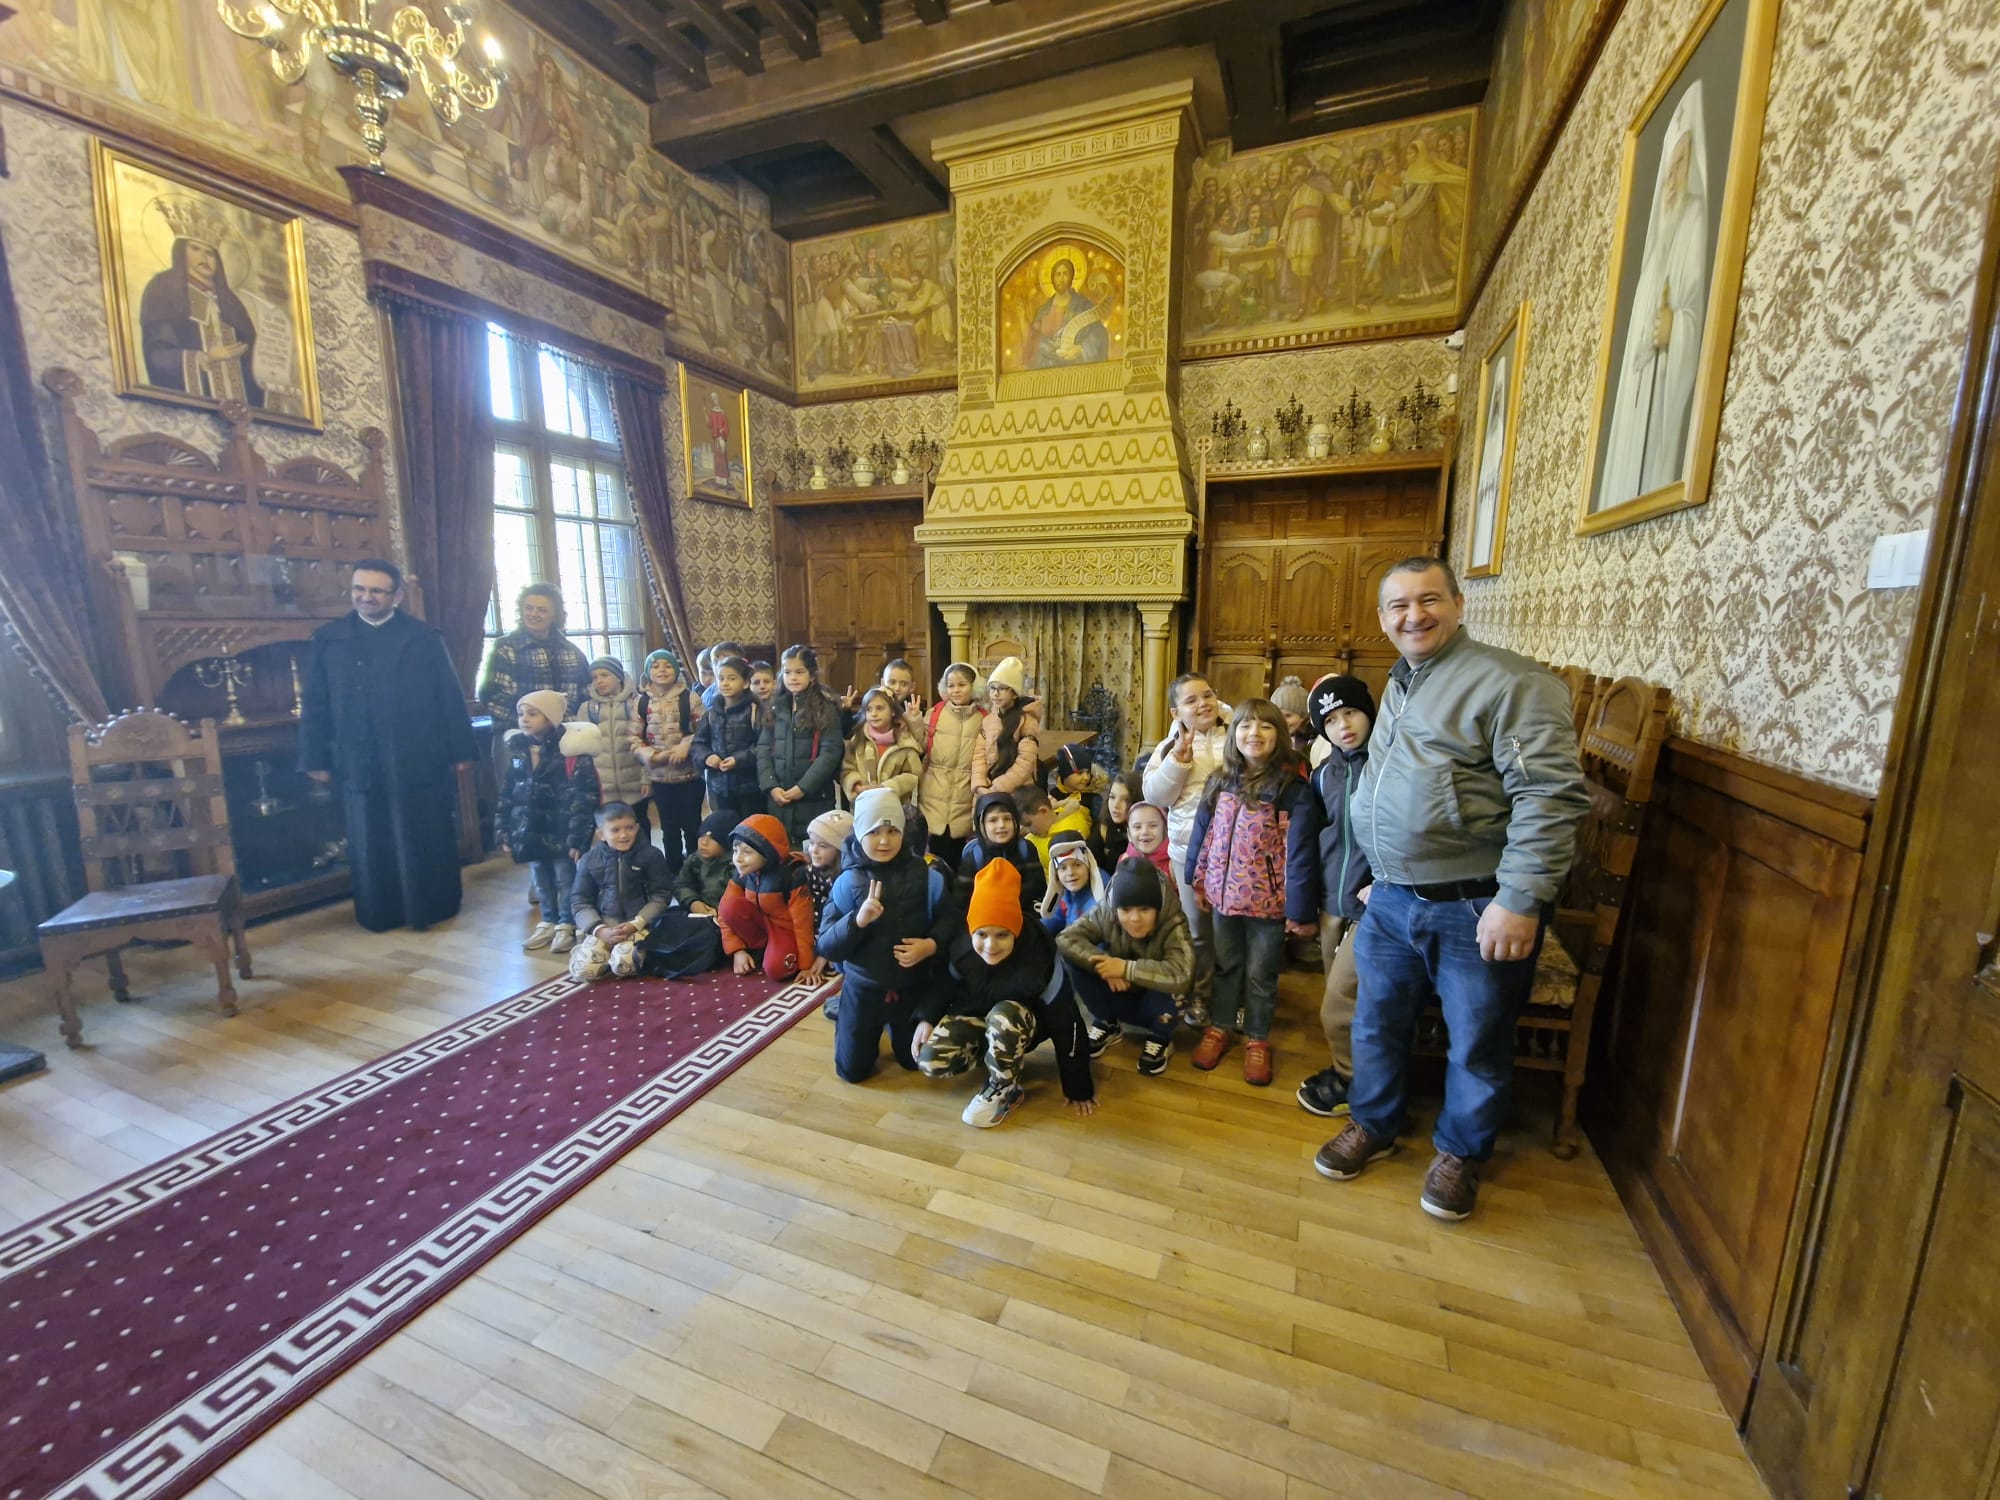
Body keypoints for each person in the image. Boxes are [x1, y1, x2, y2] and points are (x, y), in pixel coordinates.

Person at [1315, 557, 1588, 1221]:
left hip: (1474, 902)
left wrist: (1519, 898)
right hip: (1392, 898)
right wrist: (1376, 873)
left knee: (1478, 1042)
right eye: (1398, 606)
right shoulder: (1403, 679)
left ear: (1459, 605)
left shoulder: (1512, 682)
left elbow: (1548, 796)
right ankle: (1375, 1124)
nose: (1414, 616)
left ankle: (1460, 1153)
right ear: (1383, 619)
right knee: (1376, 1024)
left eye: (1429, 600)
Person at [298, 560, 476, 933]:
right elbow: (315, 703)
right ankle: (380, 912)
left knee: (424, 829)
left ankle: (433, 906)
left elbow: (448, 694)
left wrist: (460, 750)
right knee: (370, 835)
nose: (366, 597)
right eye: (359, 589)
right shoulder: (330, 639)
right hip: (358, 757)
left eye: (376, 591)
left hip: (418, 754)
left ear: (396, 596)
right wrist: (315, 758)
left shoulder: (423, 637)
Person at [1184, 699, 1321, 1087]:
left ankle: (1257, 1037)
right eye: (1245, 725)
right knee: (1226, 967)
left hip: (1268, 904)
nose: (1253, 734)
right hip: (1223, 899)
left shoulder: (1292, 790)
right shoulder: (1220, 781)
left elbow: (1300, 853)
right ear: (1234, 734)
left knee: (1261, 974)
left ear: (1279, 735)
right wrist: (1198, 879)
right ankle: (1220, 1026)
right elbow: (1204, 835)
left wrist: (1299, 908)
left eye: (1265, 726)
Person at [922, 857, 1096, 1128]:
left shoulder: (1040, 954)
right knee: (931, 1061)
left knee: (1004, 1015)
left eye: (1002, 935)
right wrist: (926, 1018)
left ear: (1015, 931)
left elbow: (1067, 1021)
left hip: (1020, 1022)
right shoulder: (962, 948)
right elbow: (944, 986)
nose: (990, 945)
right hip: (980, 1016)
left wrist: (1078, 1087)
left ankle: (1005, 1088)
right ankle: (996, 1056)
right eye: (982, 934)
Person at [1599, 84, 1710, 509]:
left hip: (1663, 386)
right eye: (1670, 166)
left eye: (1682, 163)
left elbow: (1693, 310)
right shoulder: (1652, 253)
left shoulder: (1694, 219)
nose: (1674, 178)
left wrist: (1675, 326)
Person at [819, 790, 954, 1084]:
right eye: (874, 832)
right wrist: (857, 921)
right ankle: (847, 1015)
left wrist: (931, 945)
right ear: (859, 833)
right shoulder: (847, 882)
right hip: (863, 988)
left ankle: (895, 1025)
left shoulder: (927, 876)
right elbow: (827, 945)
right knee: (852, 1072)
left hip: (912, 986)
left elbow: (950, 920)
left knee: (914, 1062)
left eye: (892, 831)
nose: (884, 841)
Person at [1296, 673, 1377, 1119]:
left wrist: (1383, 882)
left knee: (1341, 1002)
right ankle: (1352, 1072)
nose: (1343, 726)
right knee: (1336, 993)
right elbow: (1316, 835)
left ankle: (1354, 1082)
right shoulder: (1325, 773)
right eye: (1330, 720)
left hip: (1373, 903)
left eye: (1350, 713)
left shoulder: (1388, 765)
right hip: (1333, 899)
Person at [1142, 673, 1230, 1027]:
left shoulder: (1238, 733)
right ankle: (1201, 995)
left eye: (1207, 695)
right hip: (1189, 852)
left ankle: (1232, 997)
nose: (1203, 704)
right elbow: (1154, 796)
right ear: (1175, 712)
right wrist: (1178, 761)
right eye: (1191, 700)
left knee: (1232, 931)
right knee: (1199, 931)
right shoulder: (1168, 747)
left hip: (1236, 852)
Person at [1058, 856, 1193, 1077]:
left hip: (1156, 1005)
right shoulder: (1106, 911)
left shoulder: (1173, 921)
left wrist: (1125, 968)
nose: (1135, 918)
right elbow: (1066, 939)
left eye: (1145, 909)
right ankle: (1107, 1023)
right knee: (1076, 961)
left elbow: (1184, 973)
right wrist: (1103, 965)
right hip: (1119, 991)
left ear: (1157, 908)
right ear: (1116, 908)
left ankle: (1161, 1037)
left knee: (1176, 984)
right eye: (1126, 909)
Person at [498, 691, 601, 954]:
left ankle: (566, 922)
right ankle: (548, 920)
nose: (524, 719)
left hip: (560, 831)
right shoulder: (518, 750)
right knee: (540, 879)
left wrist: (579, 839)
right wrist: (505, 831)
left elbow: (584, 797)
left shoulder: (570, 752)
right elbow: (508, 793)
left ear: (551, 718)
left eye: (533, 714)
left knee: (565, 879)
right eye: (521, 713)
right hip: (530, 830)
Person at [566, 802, 675, 982]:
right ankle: (598, 949)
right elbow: (580, 901)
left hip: (640, 924)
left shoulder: (651, 855)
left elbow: (661, 895)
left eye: (629, 828)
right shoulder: (589, 859)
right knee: (583, 972)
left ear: (637, 828)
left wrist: (636, 923)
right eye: (615, 830)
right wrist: (599, 930)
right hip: (604, 925)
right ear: (601, 834)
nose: (624, 835)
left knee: (624, 966)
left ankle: (624, 953)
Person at [477, 583, 592, 746]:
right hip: (516, 739)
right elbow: (491, 697)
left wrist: (560, 723)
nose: (533, 614)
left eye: (542, 610)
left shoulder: (573, 652)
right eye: (528, 608)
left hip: (564, 738)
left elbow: (586, 695)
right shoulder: (505, 648)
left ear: (555, 615)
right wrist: (532, 720)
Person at [760, 644, 845, 846]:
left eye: (799, 672)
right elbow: (763, 749)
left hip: (814, 798)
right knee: (781, 847)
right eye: (787, 672)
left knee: (813, 848)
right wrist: (771, 786)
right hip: (779, 795)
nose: (793, 678)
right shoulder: (775, 706)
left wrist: (803, 787)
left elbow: (830, 752)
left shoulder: (825, 707)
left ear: (812, 675)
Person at [717, 813, 816, 982]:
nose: (738, 858)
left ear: (768, 852)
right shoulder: (743, 873)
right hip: (761, 926)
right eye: (735, 850)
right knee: (730, 908)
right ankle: (763, 950)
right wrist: (737, 950)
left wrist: (807, 965)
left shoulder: (792, 875)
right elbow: (723, 912)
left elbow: (803, 923)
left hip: (786, 930)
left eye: (747, 852)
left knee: (776, 969)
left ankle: (773, 953)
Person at [631, 649, 703, 871]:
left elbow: (703, 730)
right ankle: (673, 870)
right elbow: (634, 737)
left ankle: (695, 869)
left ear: (676, 671)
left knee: (692, 827)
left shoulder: (690, 698)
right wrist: (651, 756)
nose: (662, 670)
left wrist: (685, 746)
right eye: (655, 666)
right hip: (660, 778)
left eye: (668, 665)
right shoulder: (641, 702)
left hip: (690, 776)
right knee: (669, 829)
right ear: (648, 672)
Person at [647, 811, 735, 979]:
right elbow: (682, 884)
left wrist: (718, 912)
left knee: (708, 937)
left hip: (723, 919)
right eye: (701, 836)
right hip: (698, 912)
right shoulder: (695, 859)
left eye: (712, 838)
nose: (703, 842)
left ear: (727, 842)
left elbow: (739, 897)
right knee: (662, 920)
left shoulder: (735, 865)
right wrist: (694, 902)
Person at [915, 662, 985, 869]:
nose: (956, 690)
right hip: (933, 794)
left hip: (965, 795)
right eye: (951, 685)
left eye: (962, 685)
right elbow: (921, 745)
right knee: (933, 857)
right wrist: (914, 722)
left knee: (959, 858)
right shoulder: (935, 713)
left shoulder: (984, 718)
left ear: (974, 686)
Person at [691, 655, 764, 827]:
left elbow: (765, 747)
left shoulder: (756, 711)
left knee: (750, 829)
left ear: (745, 683)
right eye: (721, 678)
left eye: (731, 678)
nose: (725, 683)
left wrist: (738, 760)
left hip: (750, 786)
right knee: (724, 829)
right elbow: (698, 743)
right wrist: (707, 756)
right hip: (719, 787)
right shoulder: (711, 713)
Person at [579, 657, 649, 835]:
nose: (599, 681)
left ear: (618, 676)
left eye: (604, 675)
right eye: (594, 677)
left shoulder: (636, 704)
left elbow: (647, 744)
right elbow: (583, 752)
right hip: (604, 788)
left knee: (639, 829)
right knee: (610, 833)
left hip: (634, 786)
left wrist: (646, 778)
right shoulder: (587, 709)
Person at [955, 790, 1048, 909]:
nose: (1001, 825)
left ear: (1015, 821)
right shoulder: (974, 858)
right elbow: (962, 902)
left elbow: (1037, 889)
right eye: (993, 820)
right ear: (982, 825)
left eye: (1007, 819)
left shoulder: (1026, 850)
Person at [1016, 257, 1109, 369]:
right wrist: (1022, 318)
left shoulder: (1083, 305)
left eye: (1065, 274)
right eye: (1058, 274)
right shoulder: (1043, 311)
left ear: (1071, 277)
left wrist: (1080, 348)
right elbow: (1031, 339)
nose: (1061, 279)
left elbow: (1099, 333)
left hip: (1074, 368)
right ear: (1053, 278)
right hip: (1045, 368)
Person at [970, 657, 1040, 797]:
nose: (995, 693)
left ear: (1014, 693)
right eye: (992, 688)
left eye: (1002, 688)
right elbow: (979, 755)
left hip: (1017, 792)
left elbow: (1025, 763)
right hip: (987, 789)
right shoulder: (989, 720)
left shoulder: (1027, 720)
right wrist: (979, 785)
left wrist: (997, 789)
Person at [842, 687, 924, 805]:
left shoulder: (905, 742)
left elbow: (913, 775)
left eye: (880, 708)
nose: (874, 714)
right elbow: (847, 768)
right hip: (863, 805)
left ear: (893, 711)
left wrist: (886, 787)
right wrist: (856, 786)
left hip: (895, 807)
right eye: (869, 709)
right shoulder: (858, 739)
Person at [801, 809, 852, 996]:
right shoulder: (810, 871)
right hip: (820, 926)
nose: (813, 850)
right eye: (812, 843)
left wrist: (826, 951)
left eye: (823, 846)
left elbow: (842, 917)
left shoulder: (849, 878)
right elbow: (812, 910)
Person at [1038, 829, 1105, 937]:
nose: (1070, 873)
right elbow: (1055, 919)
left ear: (1088, 864)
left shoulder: (1102, 892)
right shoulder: (1065, 893)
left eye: (1077, 865)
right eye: (1063, 868)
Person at [1095, 771, 1140, 869]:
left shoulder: (1143, 835)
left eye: (1126, 800)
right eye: (1112, 797)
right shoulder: (1103, 826)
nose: (1116, 805)